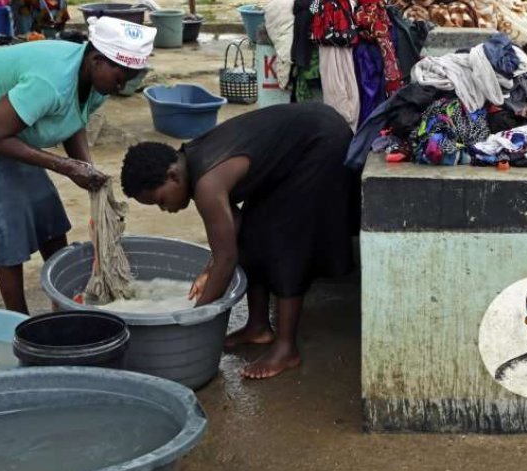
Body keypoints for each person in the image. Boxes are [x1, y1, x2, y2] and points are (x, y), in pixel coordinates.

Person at [0, 16, 156, 314]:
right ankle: (18, 319)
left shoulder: (96, 81)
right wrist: (67, 167)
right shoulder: (51, 81)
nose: (123, 85)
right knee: (3, 212)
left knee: (44, 206)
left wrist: (85, 167)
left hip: (2, 121)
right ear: (97, 59)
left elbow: (74, 120)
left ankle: (65, 302)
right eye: (121, 77)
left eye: (130, 78)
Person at [120, 103, 357, 380]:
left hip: (321, 142)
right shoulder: (191, 162)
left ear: (172, 176)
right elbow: (234, 230)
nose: (165, 209)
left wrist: (194, 319)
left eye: (161, 201)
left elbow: (227, 259)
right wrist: (209, 270)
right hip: (301, 142)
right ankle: (257, 327)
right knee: (253, 233)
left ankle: (285, 348)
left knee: (286, 241)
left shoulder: (207, 185)